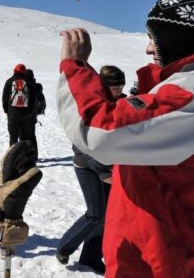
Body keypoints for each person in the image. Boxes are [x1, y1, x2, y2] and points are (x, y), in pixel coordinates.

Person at [56, 0, 194, 277]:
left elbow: (100, 131)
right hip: (171, 255)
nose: (148, 48)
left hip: (168, 264)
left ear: (182, 38)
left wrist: (75, 66)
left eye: (155, 37)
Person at [55, 66, 126, 274]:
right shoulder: (91, 105)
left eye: (121, 85)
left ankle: (91, 257)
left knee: (106, 215)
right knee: (95, 213)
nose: (119, 90)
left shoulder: (120, 101)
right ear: (104, 86)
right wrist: (103, 171)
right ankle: (64, 247)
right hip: (87, 166)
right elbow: (81, 145)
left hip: (109, 168)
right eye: (115, 87)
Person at [2, 64, 36, 147]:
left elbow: (4, 97)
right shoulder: (28, 81)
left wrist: (6, 110)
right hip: (26, 114)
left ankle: (13, 157)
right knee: (25, 137)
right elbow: (33, 98)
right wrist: (30, 111)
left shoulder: (9, 81)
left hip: (13, 113)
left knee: (13, 138)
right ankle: (25, 157)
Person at [24, 69, 45, 152]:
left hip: (24, 114)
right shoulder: (38, 86)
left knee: (24, 136)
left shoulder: (24, 86)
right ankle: (34, 154)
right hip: (33, 114)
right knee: (32, 135)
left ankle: (27, 153)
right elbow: (41, 99)